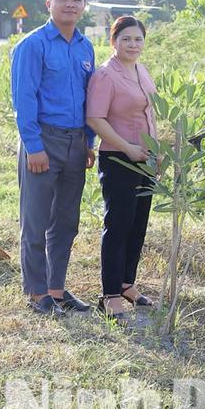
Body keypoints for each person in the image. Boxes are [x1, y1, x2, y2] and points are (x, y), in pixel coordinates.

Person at [11, 0, 96, 315]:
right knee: (36, 218)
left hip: (77, 142)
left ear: (84, 6)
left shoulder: (85, 47)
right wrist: (33, 146)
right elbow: (24, 99)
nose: (70, 4)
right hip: (43, 140)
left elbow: (89, 97)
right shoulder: (32, 45)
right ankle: (36, 292)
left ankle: (56, 289)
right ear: (49, 4)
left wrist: (89, 141)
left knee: (65, 221)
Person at [86, 16, 158, 320]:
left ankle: (127, 283)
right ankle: (110, 294)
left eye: (138, 39)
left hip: (146, 160)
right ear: (113, 41)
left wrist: (156, 153)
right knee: (118, 224)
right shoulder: (105, 75)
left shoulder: (142, 70)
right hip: (119, 159)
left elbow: (151, 114)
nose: (133, 44)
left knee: (138, 223)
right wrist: (128, 148)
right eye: (126, 39)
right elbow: (95, 118)